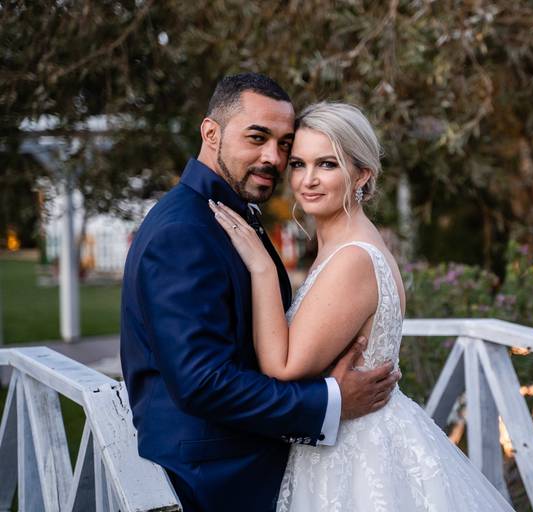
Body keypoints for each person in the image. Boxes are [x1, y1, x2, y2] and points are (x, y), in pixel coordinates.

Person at [210, 101, 515, 511]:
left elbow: (283, 367)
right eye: (298, 164)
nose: (308, 180)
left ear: (362, 174)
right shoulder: (341, 244)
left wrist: (263, 269)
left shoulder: (353, 257)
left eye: (327, 164)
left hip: (358, 457)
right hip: (344, 439)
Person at [120, 73, 399, 512]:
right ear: (211, 133)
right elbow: (202, 382)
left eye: (284, 144)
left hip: (260, 463)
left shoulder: (225, 215)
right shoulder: (185, 230)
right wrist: (331, 402)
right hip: (214, 479)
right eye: (257, 138)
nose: (274, 157)